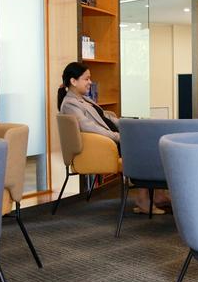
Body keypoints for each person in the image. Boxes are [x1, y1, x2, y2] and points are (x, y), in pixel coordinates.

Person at [59, 62, 165, 215]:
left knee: (153, 143)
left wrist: (131, 125)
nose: (90, 82)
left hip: (114, 139)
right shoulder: (70, 104)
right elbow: (89, 127)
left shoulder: (84, 99)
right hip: (107, 144)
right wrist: (118, 136)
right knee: (146, 149)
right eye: (86, 79)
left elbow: (106, 118)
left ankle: (158, 195)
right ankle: (143, 199)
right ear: (73, 81)